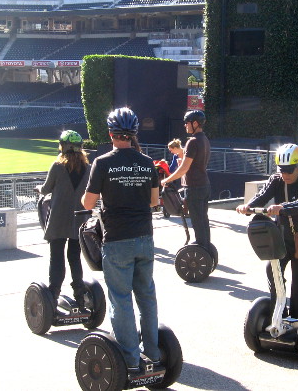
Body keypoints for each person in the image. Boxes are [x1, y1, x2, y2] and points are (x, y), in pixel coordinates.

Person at [82, 107, 161, 374]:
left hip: (117, 239)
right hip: (144, 237)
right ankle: (153, 352)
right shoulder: (147, 162)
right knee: (147, 296)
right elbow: (154, 202)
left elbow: (88, 202)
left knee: (121, 299)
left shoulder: (102, 162)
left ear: (111, 134)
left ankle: (130, 360)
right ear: (133, 134)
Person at [236, 144, 298, 318]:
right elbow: (262, 196)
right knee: (272, 271)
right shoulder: (276, 180)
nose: (285, 175)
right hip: (282, 236)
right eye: (282, 170)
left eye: (289, 170)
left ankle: (297, 319)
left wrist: (282, 207)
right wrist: (248, 206)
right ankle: (279, 311)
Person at [35, 130, 90, 309]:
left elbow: (46, 189)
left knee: (56, 257)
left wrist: (38, 188)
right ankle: (80, 296)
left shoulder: (57, 166)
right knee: (75, 257)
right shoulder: (88, 168)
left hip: (59, 219)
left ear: (63, 146)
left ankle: (53, 293)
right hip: (79, 220)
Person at [161, 110, 211, 249]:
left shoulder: (192, 142)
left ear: (195, 123)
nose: (185, 126)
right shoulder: (205, 139)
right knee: (203, 219)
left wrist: (166, 180)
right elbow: (195, 163)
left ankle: (201, 247)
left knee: (197, 220)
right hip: (205, 185)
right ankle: (206, 245)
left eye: (187, 123)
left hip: (194, 187)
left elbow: (184, 168)